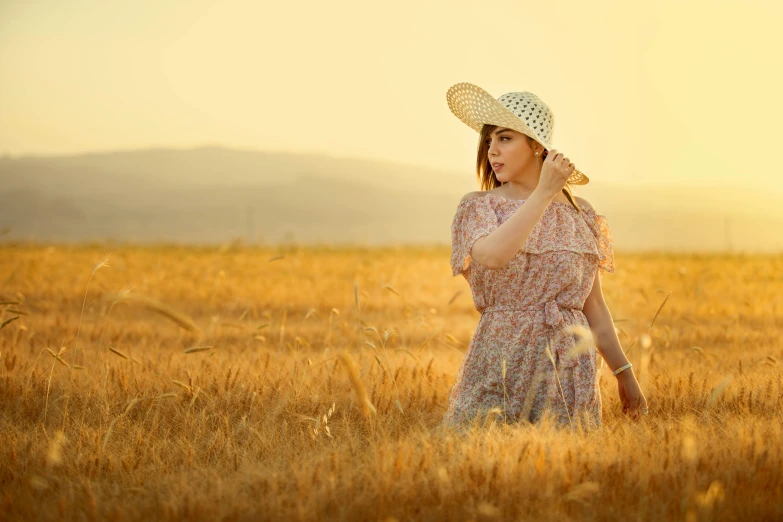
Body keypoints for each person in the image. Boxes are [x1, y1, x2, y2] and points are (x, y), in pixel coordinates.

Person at [440, 83, 648, 432]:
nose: (492, 151)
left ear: (537, 146)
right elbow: (493, 256)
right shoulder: (479, 206)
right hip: (500, 360)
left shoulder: (581, 213)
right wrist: (544, 193)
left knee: (560, 475)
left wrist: (624, 372)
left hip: (568, 369)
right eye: (489, 141)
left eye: (505, 138)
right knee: (479, 468)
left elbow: (593, 305)